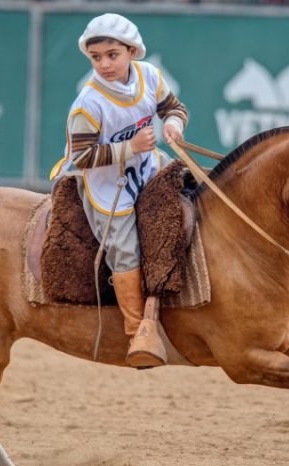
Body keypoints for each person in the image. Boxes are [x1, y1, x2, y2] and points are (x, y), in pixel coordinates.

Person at [50, 13, 189, 367]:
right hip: (104, 184)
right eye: (96, 57)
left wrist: (173, 124)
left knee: (193, 196)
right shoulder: (88, 103)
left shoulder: (150, 76)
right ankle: (137, 333)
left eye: (112, 54)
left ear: (131, 52)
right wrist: (130, 148)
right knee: (125, 249)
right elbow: (79, 158)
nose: (104, 64)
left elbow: (173, 107)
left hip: (147, 165)